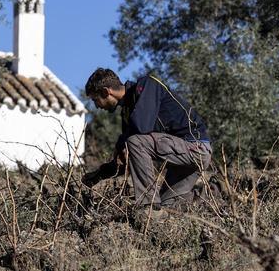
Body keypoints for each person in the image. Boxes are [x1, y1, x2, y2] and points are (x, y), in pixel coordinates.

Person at [82, 68, 212, 209]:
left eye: (96, 100)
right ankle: (216, 192)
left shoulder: (148, 85)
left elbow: (142, 128)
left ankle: (148, 207)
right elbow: (126, 160)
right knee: (169, 205)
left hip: (196, 148)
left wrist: (123, 141)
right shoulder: (127, 111)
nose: (97, 106)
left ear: (106, 92)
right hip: (181, 157)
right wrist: (97, 176)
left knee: (134, 142)